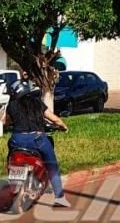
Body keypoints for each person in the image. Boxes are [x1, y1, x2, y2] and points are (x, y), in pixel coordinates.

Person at [4, 80, 71, 208]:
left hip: (17, 140)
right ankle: (60, 198)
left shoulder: (11, 105)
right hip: (37, 140)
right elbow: (54, 119)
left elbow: (6, 122)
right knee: (52, 166)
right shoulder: (37, 102)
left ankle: (13, 180)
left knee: (11, 158)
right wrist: (63, 126)